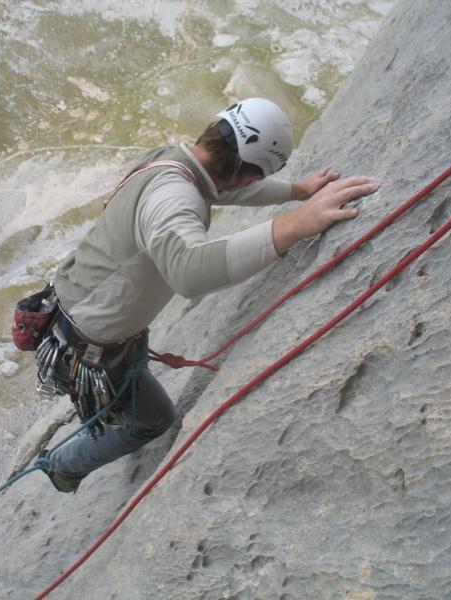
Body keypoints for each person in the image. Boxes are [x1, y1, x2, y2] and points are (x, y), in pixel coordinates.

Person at [39, 98, 381, 492]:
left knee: (132, 385)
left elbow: (220, 190)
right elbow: (190, 272)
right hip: (88, 346)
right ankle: (62, 467)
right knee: (153, 420)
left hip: (84, 317)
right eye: (254, 178)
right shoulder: (174, 197)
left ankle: (109, 413)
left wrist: (297, 191)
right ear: (248, 173)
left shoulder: (176, 163)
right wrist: (294, 225)